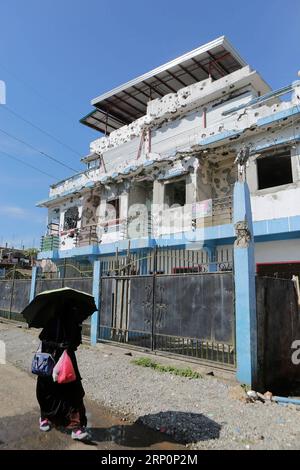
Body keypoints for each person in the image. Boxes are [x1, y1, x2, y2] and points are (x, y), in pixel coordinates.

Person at [36, 302, 88, 440]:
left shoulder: (73, 322)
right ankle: (45, 417)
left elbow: (76, 343)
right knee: (47, 391)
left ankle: (76, 427)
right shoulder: (51, 320)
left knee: (73, 393)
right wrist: (58, 345)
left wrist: (71, 338)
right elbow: (43, 339)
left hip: (67, 362)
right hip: (49, 360)